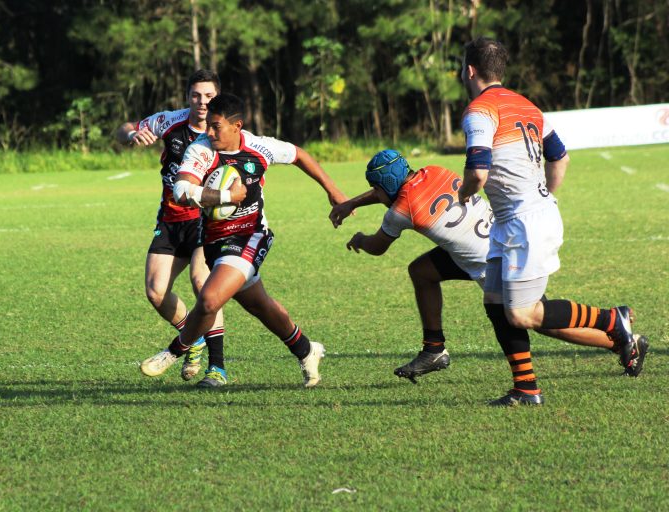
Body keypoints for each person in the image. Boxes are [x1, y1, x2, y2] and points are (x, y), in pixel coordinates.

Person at [330, 150, 647, 384]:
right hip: (491, 240)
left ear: (386, 186)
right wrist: (352, 203)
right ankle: (434, 349)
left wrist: (359, 239)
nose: (378, 194)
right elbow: (389, 190)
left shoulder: (401, 210)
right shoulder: (433, 170)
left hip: (490, 260)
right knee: (422, 271)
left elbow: (377, 247)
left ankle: (618, 334)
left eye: (377, 188)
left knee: (539, 319)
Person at [457, 37, 648, 405]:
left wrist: (466, 194)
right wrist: (545, 193)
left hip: (524, 221)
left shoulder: (479, 111)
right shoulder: (528, 106)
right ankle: (526, 389)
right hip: (521, 217)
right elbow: (560, 159)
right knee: (495, 302)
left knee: (522, 313)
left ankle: (613, 320)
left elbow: (478, 173)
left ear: (469, 70)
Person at [139, 93, 348, 388]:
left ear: (237, 126)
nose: (208, 133)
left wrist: (333, 191)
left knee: (209, 298)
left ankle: (175, 351)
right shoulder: (201, 150)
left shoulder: (260, 147)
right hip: (214, 240)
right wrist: (227, 197)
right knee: (260, 305)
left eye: (216, 127)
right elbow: (182, 189)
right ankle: (306, 349)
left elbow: (299, 154)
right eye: (208, 127)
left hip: (251, 235)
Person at [115, 69, 225, 382]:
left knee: (203, 284)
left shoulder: (224, 131)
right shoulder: (170, 120)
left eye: (209, 96)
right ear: (187, 96)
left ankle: (217, 368)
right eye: (196, 95)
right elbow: (123, 129)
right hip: (171, 219)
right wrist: (132, 136)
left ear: (216, 97)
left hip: (206, 222)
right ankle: (194, 338)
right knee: (155, 291)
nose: (202, 102)